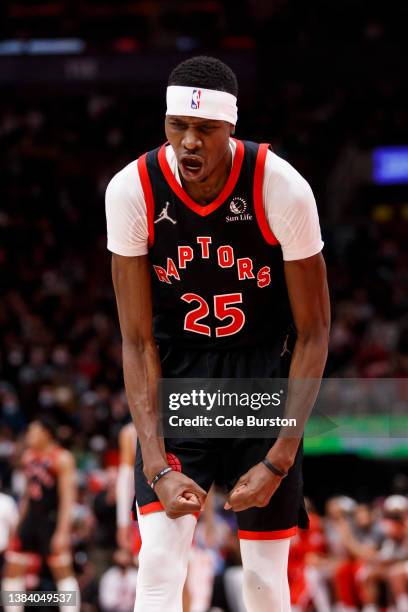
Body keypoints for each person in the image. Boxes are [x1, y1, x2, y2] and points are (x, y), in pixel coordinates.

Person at [106, 55, 330, 611]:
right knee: (157, 561)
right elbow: (136, 341)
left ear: (231, 128)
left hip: (260, 381)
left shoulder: (282, 187)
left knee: (263, 579)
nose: (189, 143)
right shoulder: (132, 189)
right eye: (178, 126)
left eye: (204, 129)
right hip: (180, 381)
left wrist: (279, 457)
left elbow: (316, 331)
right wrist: (155, 464)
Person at [2, 416, 80, 612]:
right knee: (13, 566)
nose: (29, 435)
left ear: (46, 433)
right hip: (32, 518)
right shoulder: (29, 456)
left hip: (51, 518)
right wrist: (19, 524)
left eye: (33, 431)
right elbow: (28, 494)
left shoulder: (62, 458)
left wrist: (62, 532)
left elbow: (67, 499)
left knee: (61, 570)